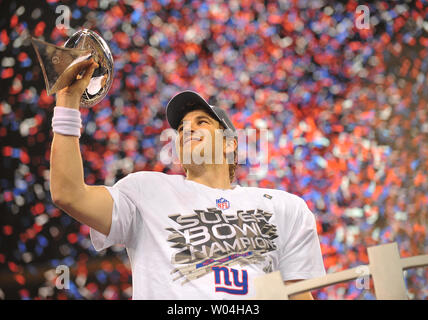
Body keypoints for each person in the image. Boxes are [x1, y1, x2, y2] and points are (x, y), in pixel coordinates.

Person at [50, 59, 326, 300]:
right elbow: (69, 194)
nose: (187, 129)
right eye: (181, 128)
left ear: (230, 144)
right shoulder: (147, 190)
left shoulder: (284, 207)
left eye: (202, 122)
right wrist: (67, 100)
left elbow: (299, 295)